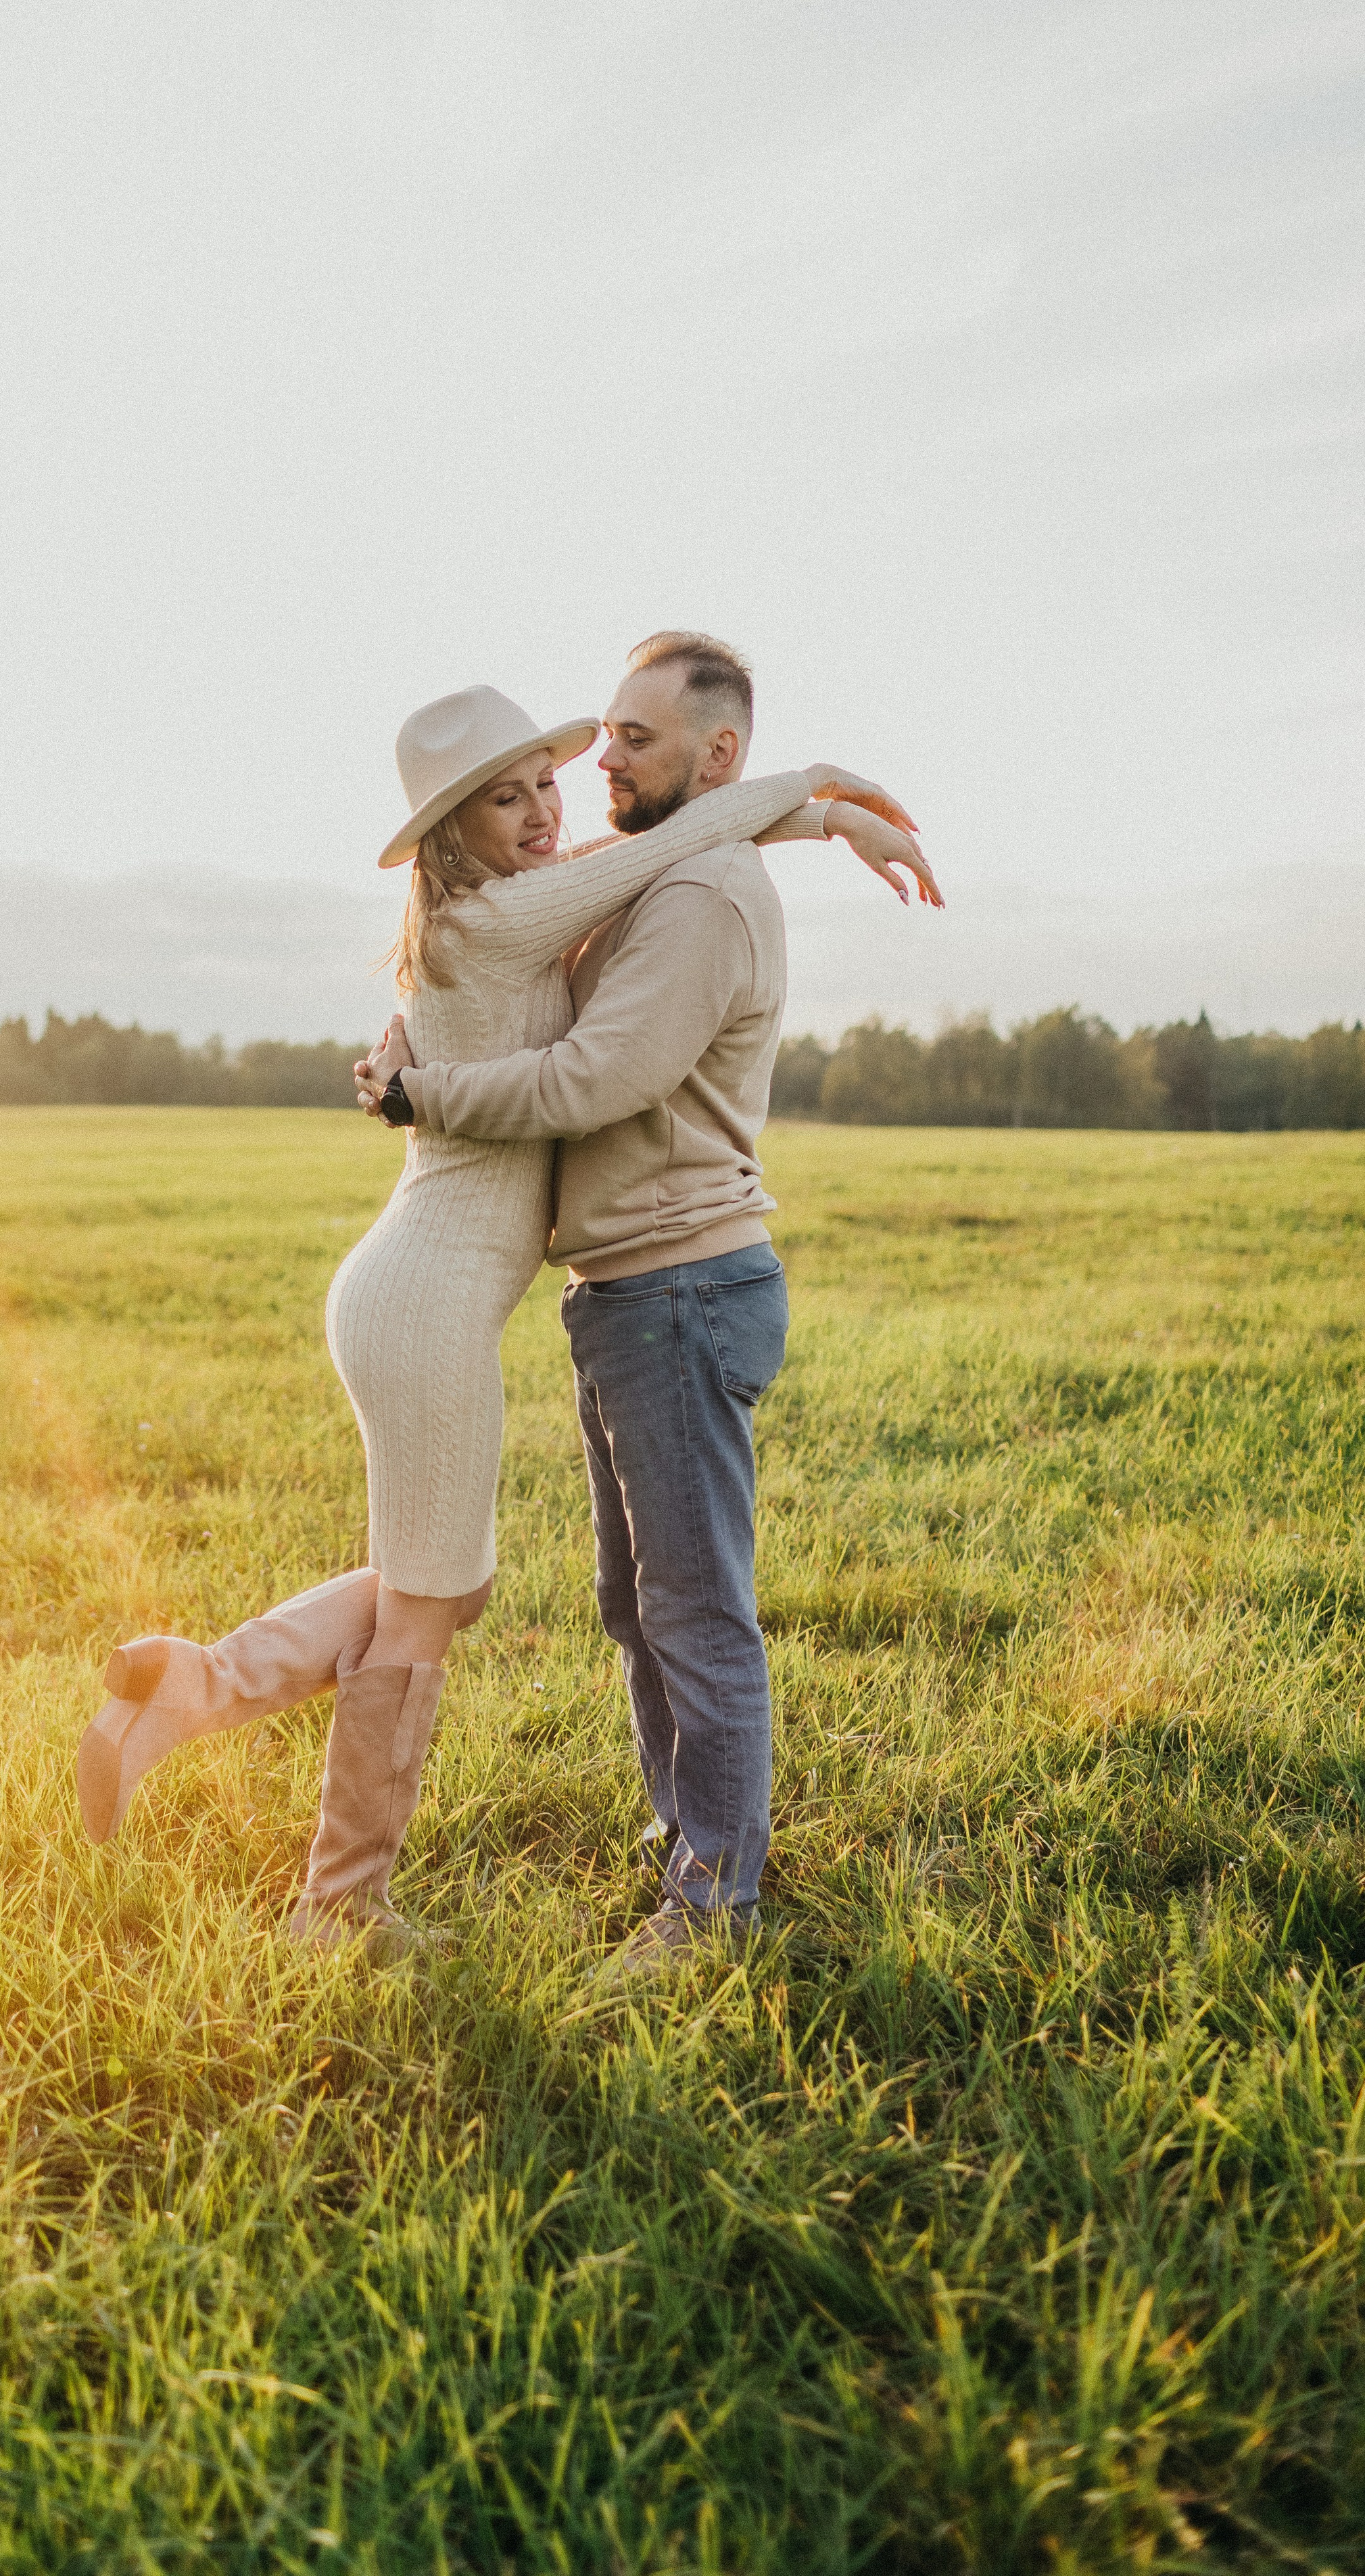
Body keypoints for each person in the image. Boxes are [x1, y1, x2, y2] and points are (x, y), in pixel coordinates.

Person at [77, 673, 934, 1959]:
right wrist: (821, 795)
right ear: (450, 833)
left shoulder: (482, 921)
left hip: (412, 1290)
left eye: (546, 782)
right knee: (429, 1605)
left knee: (438, 1586)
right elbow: (684, 836)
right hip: (424, 1301)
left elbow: (649, 849)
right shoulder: (505, 923)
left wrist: (816, 819)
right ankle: (337, 1905)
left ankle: (196, 1686)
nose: (543, 811)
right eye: (505, 797)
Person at [354, 633, 941, 1976]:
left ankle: (711, 1907)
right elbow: (503, 976)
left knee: (691, 1611)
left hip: (678, 1283)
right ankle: (685, 1846)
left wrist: (418, 1093)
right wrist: (411, 1035)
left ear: (713, 757)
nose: (594, 762)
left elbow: (589, 1076)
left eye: (630, 738)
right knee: (638, 1606)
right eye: (599, 735)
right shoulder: (649, 875)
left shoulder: (697, 899)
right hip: (627, 1287)